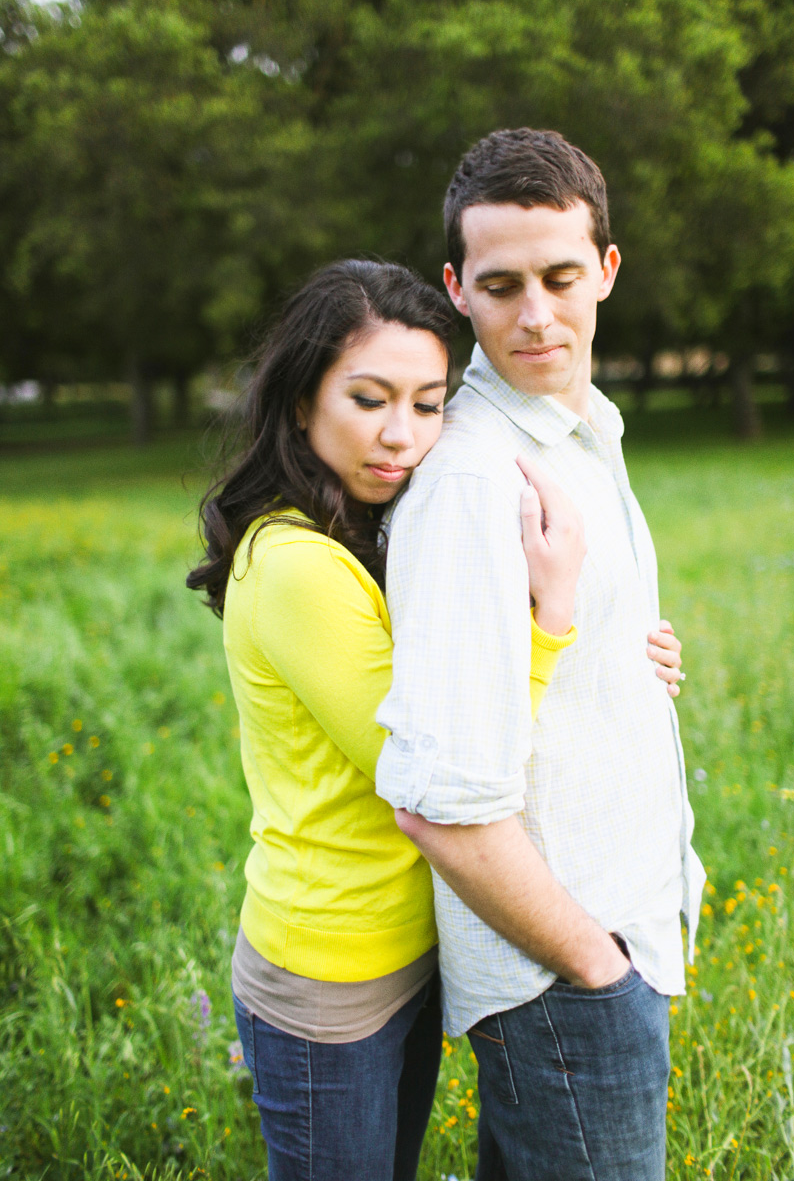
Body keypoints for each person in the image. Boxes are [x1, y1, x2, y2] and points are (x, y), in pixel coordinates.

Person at [186, 257, 594, 1181]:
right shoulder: (295, 565)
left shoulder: (367, 529)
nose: (402, 436)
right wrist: (552, 620)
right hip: (330, 974)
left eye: (427, 403)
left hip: (406, 948)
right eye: (370, 399)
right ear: (300, 401)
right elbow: (427, 759)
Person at [375, 129, 705, 1181]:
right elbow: (438, 800)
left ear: (605, 270)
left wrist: (626, 651)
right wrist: (592, 969)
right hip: (563, 970)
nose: (534, 314)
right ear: (455, 287)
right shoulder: (475, 480)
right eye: (501, 283)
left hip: (612, 938)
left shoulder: (579, 433)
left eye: (560, 277)